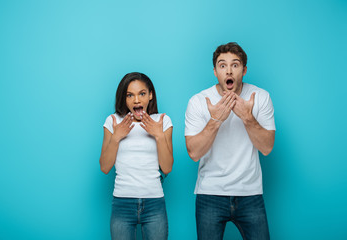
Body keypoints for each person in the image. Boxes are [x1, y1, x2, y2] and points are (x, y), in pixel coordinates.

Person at [185, 42, 276, 240]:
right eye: (222, 65)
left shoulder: (260, 97)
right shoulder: (199, 101)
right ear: (215, 71)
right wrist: (215, 120)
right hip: (210, 194)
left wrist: (247, 118)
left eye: (235, 65)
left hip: (250, 193)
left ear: (243, 70)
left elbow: (267, 147)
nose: (228, 70)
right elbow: (193, 153)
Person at [99, 72, 173, 240]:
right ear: (124, 99)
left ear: (150, 95)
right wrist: (117, 137)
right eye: (130, 95)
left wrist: (159, 135)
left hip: (154, 202)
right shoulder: (113, 121)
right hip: (122, 202)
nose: (137, 100)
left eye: (142, 94)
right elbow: (104, 167)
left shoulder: (162, 120)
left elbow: (167, 167)